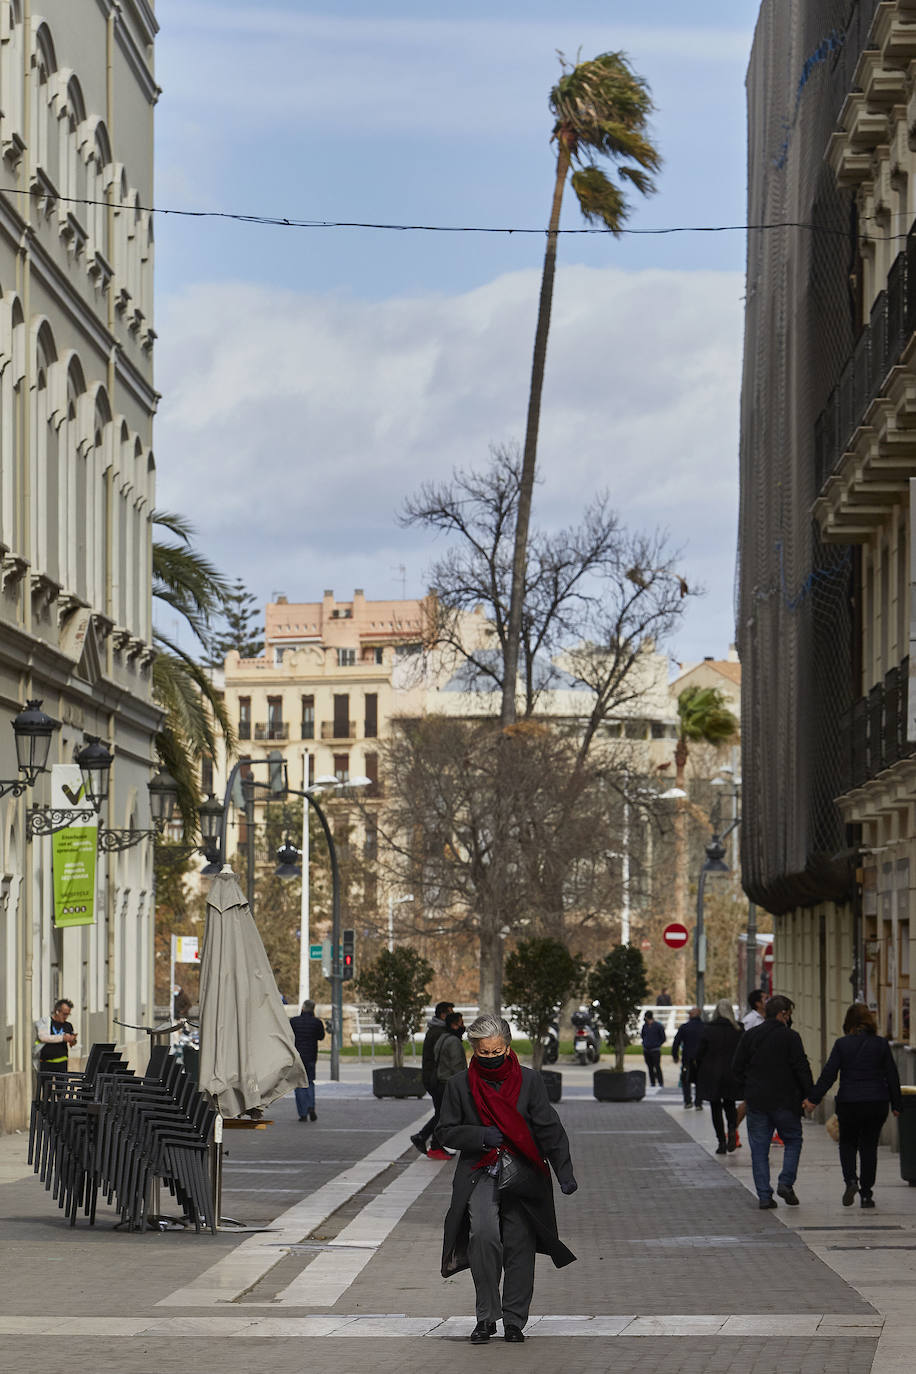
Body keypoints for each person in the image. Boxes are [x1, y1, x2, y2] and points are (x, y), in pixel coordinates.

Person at [438, 1013, 577, 1345]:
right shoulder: (459, 1085)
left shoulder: (529, 1081)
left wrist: (564, 1172)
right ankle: (485, 1317)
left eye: (496, 1051)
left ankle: (515, 1320)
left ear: (508, 1046)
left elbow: (548, 1127)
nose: (490, 1058)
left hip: (524, 1173)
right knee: (483, 1236)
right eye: (483, 1052)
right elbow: (445, 1131)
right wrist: (479, 1135)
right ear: (474, 1049)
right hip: (480, 1172)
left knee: (519, 1243)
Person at [803, 1002, 902, 1209]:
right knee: (869, 1146)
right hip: (876, 1103)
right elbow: (892, 1075)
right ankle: (866, 1194)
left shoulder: (842, 1044)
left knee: (847, 1143)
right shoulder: (881, 1044)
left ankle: (851, 1181)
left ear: (848, 1023)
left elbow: (829, 1074)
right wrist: (897, 1104)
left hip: (850, 1103)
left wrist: (814, 1099)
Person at [731, 994, 814, 1208]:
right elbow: (801, 1067)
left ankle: (764, 1196)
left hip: (757, 1101)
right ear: (782, 1014)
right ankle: (785, 1182)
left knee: (759, 1149)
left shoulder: (750, 1037)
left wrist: (748, 1088)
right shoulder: (791, 1037)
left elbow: (736, 1068)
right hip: (786, 1100)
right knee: (793, 1140)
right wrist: (810, 1095)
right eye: (788, 1014)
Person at [695, 999, 742, 1153]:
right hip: (732, 1073)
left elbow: (699, 1053)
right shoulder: (738, 1029)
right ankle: (732, 1129)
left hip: (712, 1074)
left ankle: (721, 1142)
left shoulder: (708, 1029)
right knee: (730, 1104)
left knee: (715, 1107)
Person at [411, 1000, 454, 1157]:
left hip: (434, 1077)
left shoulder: (437, 1030)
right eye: (450, 1012)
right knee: (443, 1113)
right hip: (435, 1079)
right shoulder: (439, 1032)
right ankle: (427, 1140)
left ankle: (430, 1141)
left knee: (441, 1112)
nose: (453, 1016)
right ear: (443, 1014)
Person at [289, 998, 325, 1121]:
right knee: (309, 1082)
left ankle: (303, 1113)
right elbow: (321, 1037)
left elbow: (288, 1037)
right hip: (311, 1056)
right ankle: (311, 1106)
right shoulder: (317, 1022)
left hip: (297, 1057)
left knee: (299, 1083)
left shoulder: (294, 1021)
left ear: (303, 1008)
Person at [33, 998, 77, 1076]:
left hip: (62, 1062)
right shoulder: (46, 1022)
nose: (66, 1017)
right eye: (64, 1014)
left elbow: (72, 1044)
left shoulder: (68, 1025)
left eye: (68, 1014)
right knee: (46, 1087)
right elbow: (43, 1037)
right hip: (46, 1062)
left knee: (61, 1087)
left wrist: (72, 1040)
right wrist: (62, 1038)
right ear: (57, 1011)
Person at [672, 1007, 704, 1108]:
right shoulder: (705, 1027)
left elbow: (676, 1042)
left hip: (687, 1058)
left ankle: (687, 1101)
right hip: (701, 1058)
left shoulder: (684, 1027)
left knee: (686, 1080)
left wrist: (675, 1055)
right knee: (700, 1081)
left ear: (690, 1015)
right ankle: (698, 1102)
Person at [640, 1011, 666, 1086]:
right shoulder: (645, 1026)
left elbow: (663, 1038)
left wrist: (657, 1044)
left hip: (655, 1050)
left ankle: (661, 1082)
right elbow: (643, 1035)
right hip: (646, 1050)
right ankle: (652, 1082)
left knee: (657, 1066)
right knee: (650, 1067)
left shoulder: (658, 1026)